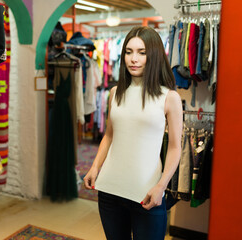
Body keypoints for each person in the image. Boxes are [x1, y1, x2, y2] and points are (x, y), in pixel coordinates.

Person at [83, 26, 183, 240]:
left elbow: (175, 147)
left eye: (141, 52)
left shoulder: (169, 97)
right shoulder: (114, 93)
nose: (133, 59)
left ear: (154, 55)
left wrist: (161, 186)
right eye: (128, 52)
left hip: (147, 195)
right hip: (110, 190)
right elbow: (109, 135)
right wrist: (95, 167)